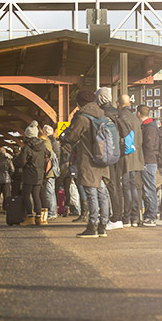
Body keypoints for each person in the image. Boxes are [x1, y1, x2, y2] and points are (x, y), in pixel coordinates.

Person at [60, 90, 111, 238]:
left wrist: (65, 136)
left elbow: (72, 136)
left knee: (91, 193)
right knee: (102, 193)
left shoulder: (82, 118)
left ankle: (92, 226)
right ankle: (103, 226)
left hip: (88, 160)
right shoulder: (102, 115)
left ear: (79, 103)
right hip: (103, 159)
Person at [96, 88, 126, 231]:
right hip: (121, 152)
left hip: (109, 152)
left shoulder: (102, 114)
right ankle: (119, 216)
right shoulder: (118, 112)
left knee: (111, 185)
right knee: (117, 185)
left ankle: (115, 218)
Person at [13, 120, 52, 225]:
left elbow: (21, 162)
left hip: (29, 174)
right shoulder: (42, 146)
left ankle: (30, 217)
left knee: (26, 195)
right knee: (36, 195)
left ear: (28, 135)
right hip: (39, 174)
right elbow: (48, 155)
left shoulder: (27, 147)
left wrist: (15, 160)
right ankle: (39, 218)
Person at [118, 94, 144, 227]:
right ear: (129, 104)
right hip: (137, 158)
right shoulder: (135, 118)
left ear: (118, 103)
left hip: (126, 157)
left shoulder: (121, 117)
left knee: (126, 187)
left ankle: (126, 217)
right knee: (135, 188)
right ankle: (135, 217)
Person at [138, 105, 159, 227]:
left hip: (148, 162)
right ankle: (149, 215)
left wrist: (144, 161)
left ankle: (151, 216)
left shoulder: (149, 128)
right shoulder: (150, 126)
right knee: (148, 188)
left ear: (139, 113)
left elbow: (149, 146)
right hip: (149, 161)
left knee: (149, 189)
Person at [42, 124, 60, 221]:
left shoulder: (48, 142)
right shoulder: (55, 142)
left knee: (49, 192)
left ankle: (52, 212)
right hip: (53, 170)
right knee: (51, 191)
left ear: (45, 133)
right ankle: (52, 211)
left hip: (50, 170)